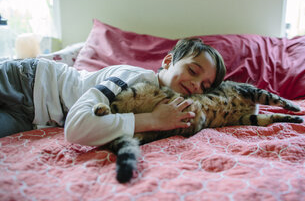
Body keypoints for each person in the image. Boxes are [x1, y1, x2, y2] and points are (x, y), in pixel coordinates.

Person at [0, 38, 226, 146]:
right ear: (167, 62)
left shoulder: (167, 107)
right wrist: (153, 120)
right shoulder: (135, 78)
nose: (196, 86)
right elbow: (76, 128)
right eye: (193, 70)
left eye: (205, 87)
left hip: (34, 118)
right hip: (29, 80)